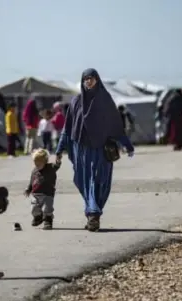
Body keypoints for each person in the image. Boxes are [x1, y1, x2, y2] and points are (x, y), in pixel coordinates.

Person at [55, 68, 134, 232]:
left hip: (101, 150)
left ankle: (93, 213)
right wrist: (59, 149)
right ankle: (93, 213)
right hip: (81, 151)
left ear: (97, 79)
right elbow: (68, 128)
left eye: (91, 78)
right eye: (85, 79)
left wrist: (127, 145)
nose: (88, 81)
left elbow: (116, 125)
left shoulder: (105, 99)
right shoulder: (76, 102)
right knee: (84, 181)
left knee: (99, 182)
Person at [24, 148, 60, 230]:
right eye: (35, 162)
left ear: (45, 161)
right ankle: (38, 217)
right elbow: (32, 180)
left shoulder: (50, 167)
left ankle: (48, 221)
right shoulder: (34, 170)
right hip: (36, 193)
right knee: (34, 207)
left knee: (48, 209)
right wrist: (28, 189)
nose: (37, 164)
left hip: (48, 193)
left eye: (39, 163)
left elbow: (57, 166)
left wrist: (58, 160)